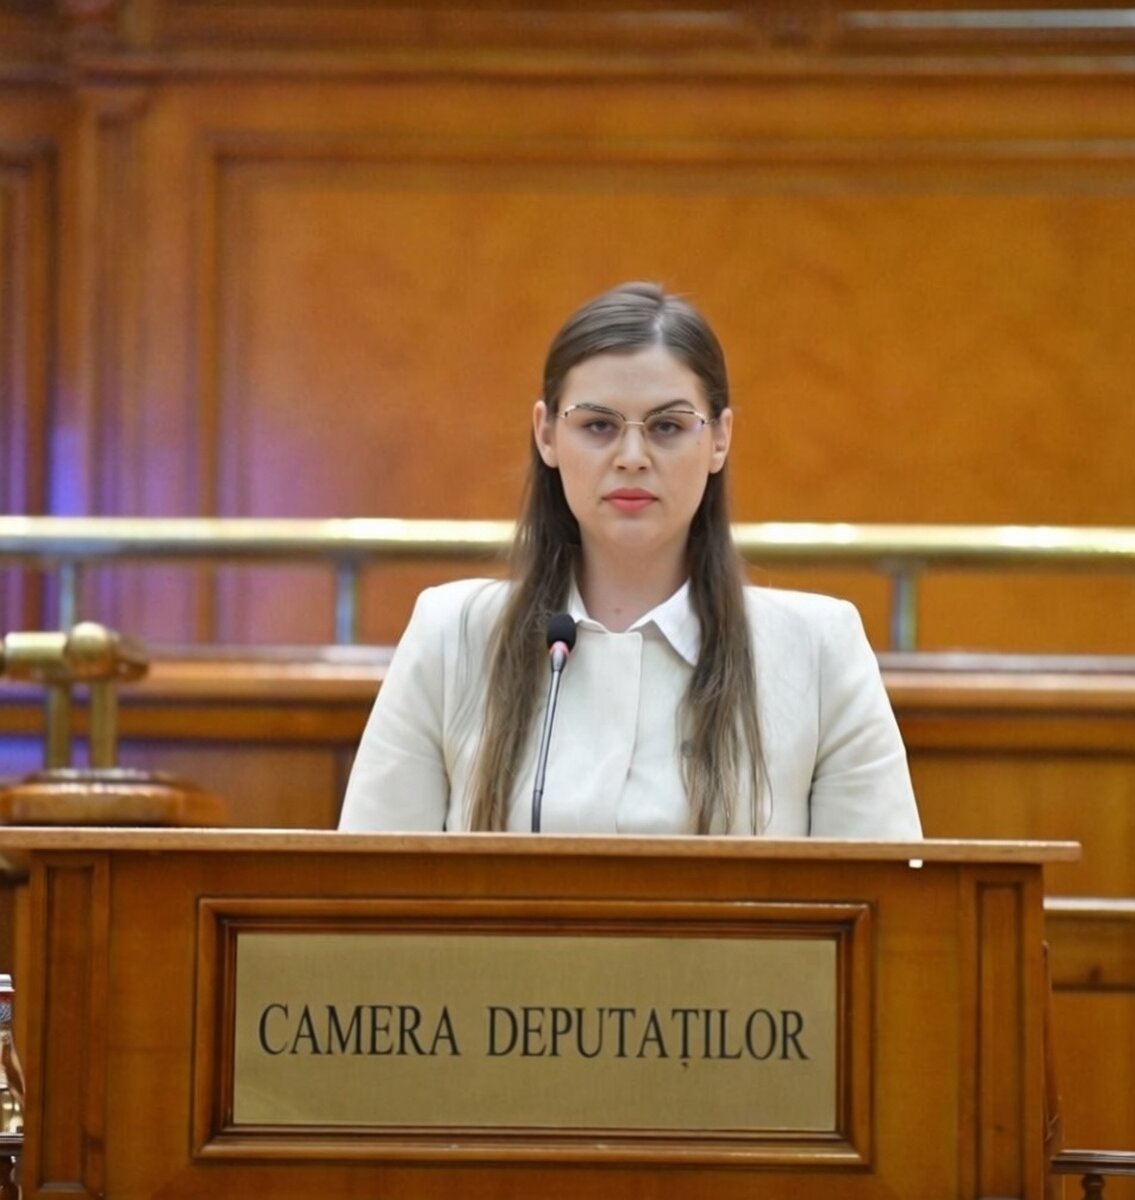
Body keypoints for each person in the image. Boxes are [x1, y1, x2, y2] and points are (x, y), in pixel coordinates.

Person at [339, 282, 921, 838]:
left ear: (719, 439)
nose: (633, 456)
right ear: (546, 435)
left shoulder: (818, 649)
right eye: (598, 426)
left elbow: (890, 908)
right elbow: (364, 896)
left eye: (668, 426)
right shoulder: (453, 635)